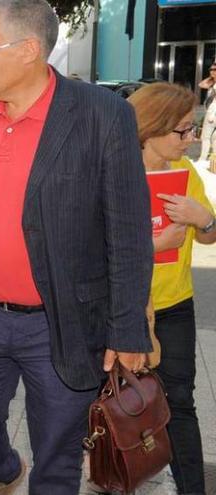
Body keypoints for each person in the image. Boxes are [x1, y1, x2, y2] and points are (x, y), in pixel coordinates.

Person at [0, 0, 152, 493]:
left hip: (65, 322)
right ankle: (5, 470)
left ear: (29, 50)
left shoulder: (103, 116)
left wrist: (128, 328)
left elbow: (129, 232)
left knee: (58, 454)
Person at [128, 82, 216, 495]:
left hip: (175, 307)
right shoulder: (114, 174)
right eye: (183, 130)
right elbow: (91, 247)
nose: (192, 138)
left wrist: (205, 219)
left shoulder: (187, 176)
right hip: (122, 308)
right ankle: (114, 475)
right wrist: (154, 246)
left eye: (192, 128)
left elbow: (207, 238)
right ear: (152, 129)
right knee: (115, 401)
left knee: (180, 404)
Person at [197, 64, 216, 167]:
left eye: (214, 69)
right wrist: (212, 78)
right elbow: (201, 84)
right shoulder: (212, 83)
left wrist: (212, 114)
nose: (212, 71)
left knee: (206, 137)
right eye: (211, 69)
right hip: (211, 111)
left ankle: (203, 159)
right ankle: (210, 159)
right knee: (212, 137)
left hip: (213, 112)